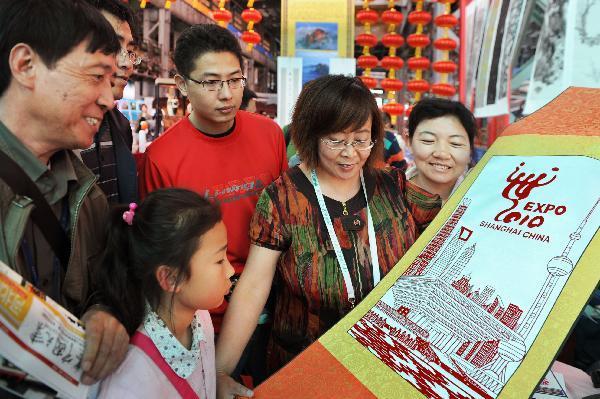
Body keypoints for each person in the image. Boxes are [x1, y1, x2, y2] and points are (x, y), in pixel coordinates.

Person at [216, 75, 442, 397]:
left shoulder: (394, 186)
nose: (350, 154)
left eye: (362, 140)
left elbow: (448, 235)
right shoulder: (283, 199)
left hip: (385, 365)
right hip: (304, 367)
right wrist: (221, 370)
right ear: (310, 135)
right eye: (335, 141)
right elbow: (254, 285)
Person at [140, 23, 287, 386]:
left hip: (278, 306)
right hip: (208, 320)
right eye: (210, 82)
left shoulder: (269, 135)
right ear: (182, 84)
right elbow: (162, 254)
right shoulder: (161, 158)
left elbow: (286, 219)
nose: (226, 94)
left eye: (234, 80)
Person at [0, 0, 128, 387]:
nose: (109, 98)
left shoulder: (87, 194)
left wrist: (107, 312)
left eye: (111, 80)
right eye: (96, 76)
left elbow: (107, 282)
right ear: (25, 65)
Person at [97, 189, 233, 398]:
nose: (231, 270)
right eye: (219, 260)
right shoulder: (131, 381)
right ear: (169, 278)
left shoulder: (200, 317)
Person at [80, 0, 139, 204]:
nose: (126, 63)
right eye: (113, 46)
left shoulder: (121, 127)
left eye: (130, 51)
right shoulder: (54, 134)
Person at [405, 98, 476, 202]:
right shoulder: (386, 197)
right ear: (409, 142)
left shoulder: (486, 204)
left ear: (470, 150)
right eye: (428, 140)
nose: (442, 154)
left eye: (455, 143)